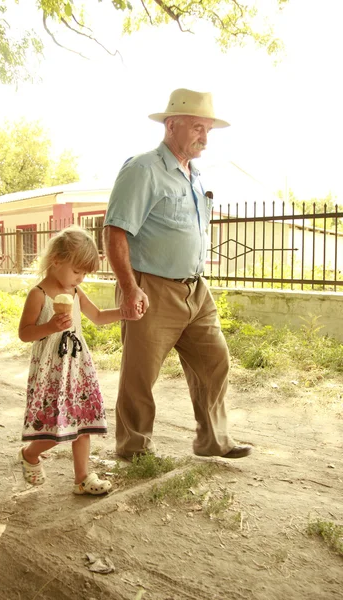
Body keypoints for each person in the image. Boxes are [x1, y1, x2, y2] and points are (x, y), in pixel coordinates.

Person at [103, 88, 252, 460]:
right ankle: (133, 450)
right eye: (198, 127)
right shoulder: (143, 169)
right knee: (140, 375)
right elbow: (116, 231)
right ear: (172, 126)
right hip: (151, 287)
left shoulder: (195, 176)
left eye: (209, 129)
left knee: (215, 360)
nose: (205, 136)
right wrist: (130, 288)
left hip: (195, 290)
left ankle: (212, 440)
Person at [18, 225, 141, 494]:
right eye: (77, 271)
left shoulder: (74, 292)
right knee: (55, 428)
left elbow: (96, 317)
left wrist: (125, 313)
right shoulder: (38, 294)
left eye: (85, 273)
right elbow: (24, 334)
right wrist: (49, 327)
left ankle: (82, 479)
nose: (81, 278)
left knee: (84, 423)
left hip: (78, 365)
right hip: (52, 369)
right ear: (56, 261)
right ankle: (30, 453)